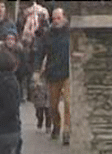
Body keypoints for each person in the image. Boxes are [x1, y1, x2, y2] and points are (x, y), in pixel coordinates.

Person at [34, 7, 71, 145]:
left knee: (68, 102)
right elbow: (40, 53)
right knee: (53, 106)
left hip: (68, 72)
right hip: (53, 73)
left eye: (58, 18)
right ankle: (57, 125)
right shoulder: (47, 35)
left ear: (64, 18)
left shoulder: (70, 32)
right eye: (53, 18)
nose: (56, 21)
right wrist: (37, 70)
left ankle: (67, 131)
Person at [30, 69, 51, 134]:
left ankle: (48, 127)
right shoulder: (34, 81)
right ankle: (39, 125)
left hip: (46, 100)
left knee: (48, 114)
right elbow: (31, 90)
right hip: (39, 101)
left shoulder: (47, 80)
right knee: (39, 114)